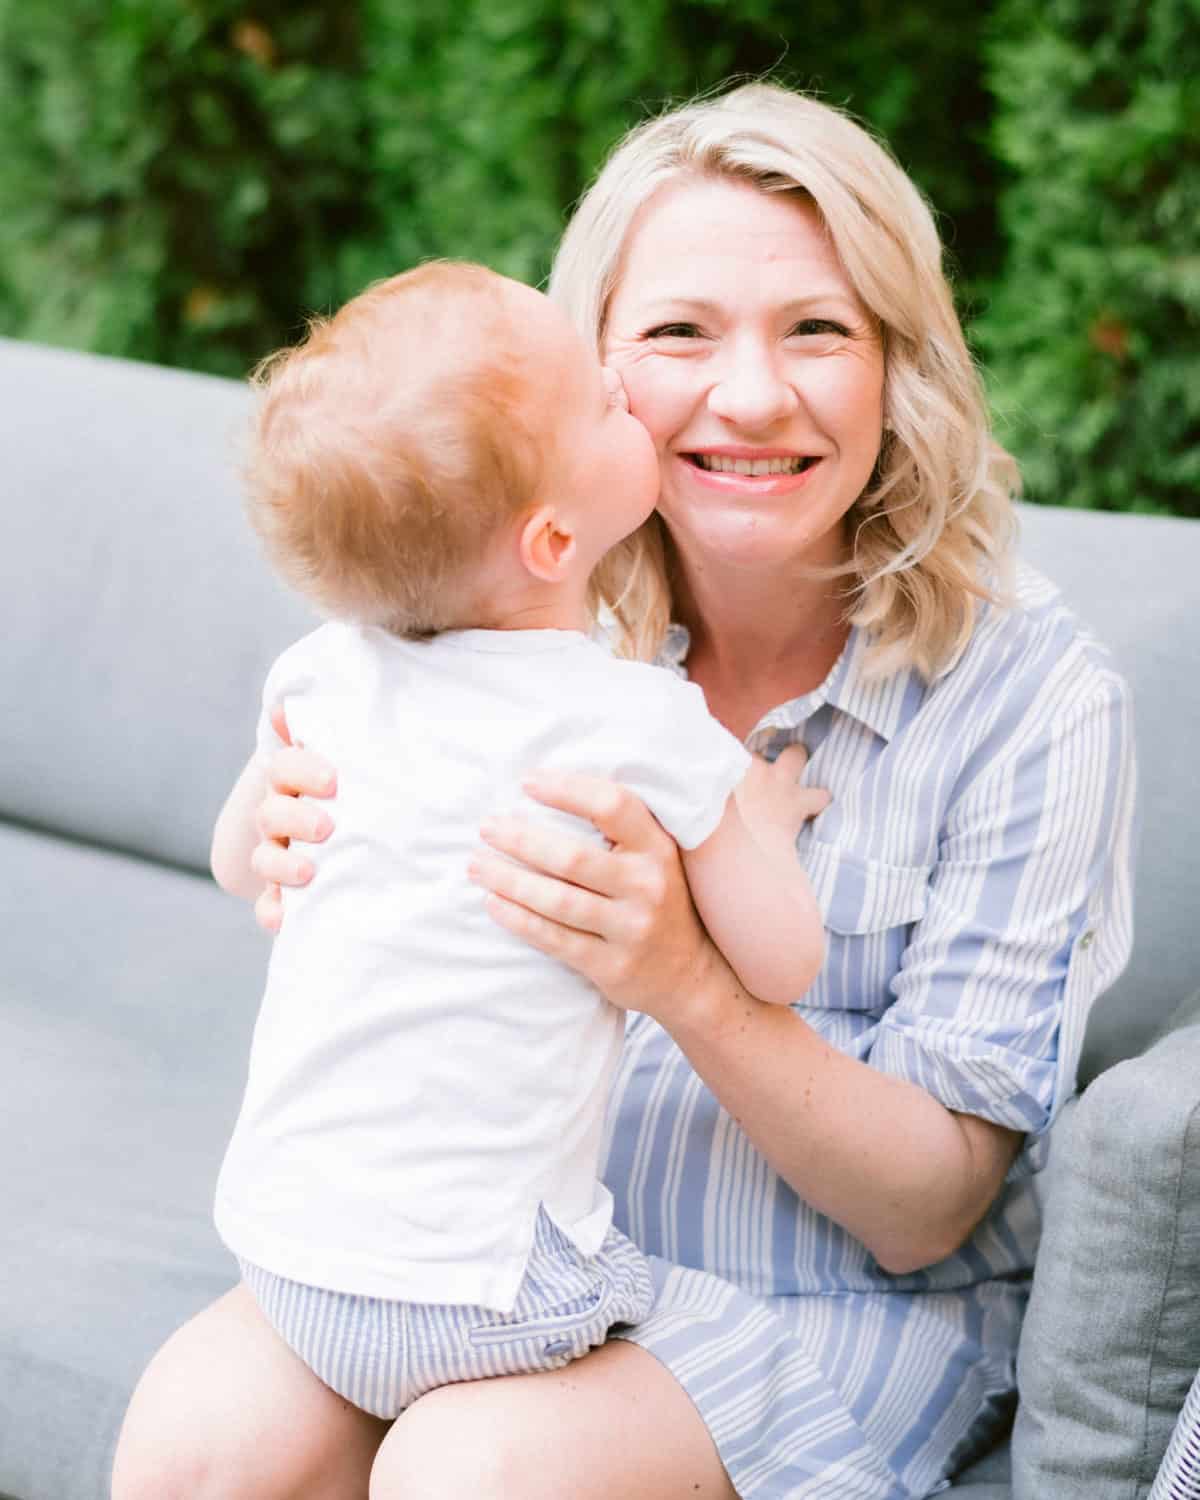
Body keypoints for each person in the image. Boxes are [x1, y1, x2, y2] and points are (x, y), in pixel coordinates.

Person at [112, 82, 1135, 1500]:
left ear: (902, 362)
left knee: (475, 1472)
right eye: (677, 335)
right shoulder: (505, 626)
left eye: (819, 330)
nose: (755, 394)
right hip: (488, 1254)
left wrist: (686, 979)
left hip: (833, 1310)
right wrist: (282, 831)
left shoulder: (1032, 694)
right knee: (196, 1447)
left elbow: (931, 1211)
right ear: (585, 381)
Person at [119, 257, 829, 1464]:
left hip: (292, 1265)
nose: (619, 381)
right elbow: (787, 959)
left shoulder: (324, 670)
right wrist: (756, 818)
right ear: (555, 539)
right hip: (488, 1303)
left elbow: (243, 860)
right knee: (706, 1342)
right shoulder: (635, 719)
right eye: (602, 404)